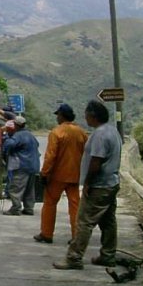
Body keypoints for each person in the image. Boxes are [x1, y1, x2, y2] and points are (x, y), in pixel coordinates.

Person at [54, 100, 122, 270]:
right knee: (108, 221)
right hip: (111, 183)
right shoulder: (113, 131)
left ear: (93, 115)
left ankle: (74, 258)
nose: (85, 117)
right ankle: (108, 255)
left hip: (99, 185)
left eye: (86, 114)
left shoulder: (99, 135)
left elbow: (96, 162)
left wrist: (88, 183)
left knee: (84, 221)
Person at [34, 103, 88, 244]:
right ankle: (77, 236)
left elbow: (50, 156)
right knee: (75, 206)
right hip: (74, 175)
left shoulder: (56, 132)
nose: (57, 117)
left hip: (57, 176)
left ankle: (46, 233)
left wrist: (44, 173)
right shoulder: (81, 132)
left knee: (50, 204)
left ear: (62, 116)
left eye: (58, 115)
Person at [1, 116, 40, 215]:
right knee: (29, 189)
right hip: (33, 166)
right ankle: (29, 208)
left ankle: (16, 208)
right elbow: (37, 144)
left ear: (16, 125)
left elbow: (8, 145)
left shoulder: (18, 135)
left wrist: (5, 135)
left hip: (22, 165)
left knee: (15, 188)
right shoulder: (30, 135)